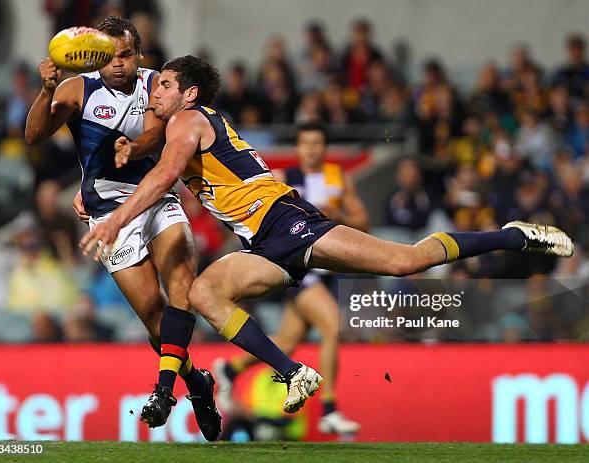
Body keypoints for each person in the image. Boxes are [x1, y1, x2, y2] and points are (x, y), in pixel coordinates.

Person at [79, 55, 574, 428]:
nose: (154, 91)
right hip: (260, 239)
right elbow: (152, 154)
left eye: (163, 84)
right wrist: (95, 188)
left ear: (187, 94)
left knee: (407, 261)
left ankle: (512, 235)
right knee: (204, 293)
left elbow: (166, 173)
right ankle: (294, 372)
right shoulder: (179, 125)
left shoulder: (188, 121)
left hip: (284, 220)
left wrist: (113, 219)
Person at [25, 18, 220, 440]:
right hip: (108, 215)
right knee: (155, 320)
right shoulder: (79, 89)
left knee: (182, 280)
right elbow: (33, 136)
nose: (119, 63)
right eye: (110, 56)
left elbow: (155, 134)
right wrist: (45, 90)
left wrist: (134, 148)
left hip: (157, 200)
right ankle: (197, 384)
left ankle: (164, 390)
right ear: (98, 56)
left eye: (126, 55)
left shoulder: (156, 84)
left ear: (140, 55)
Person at [213, 123, 366, 434]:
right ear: (298, 148)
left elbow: (363, 219)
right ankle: (330, 410)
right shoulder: (283, 179)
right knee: (333, 325)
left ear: (324, 147)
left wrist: (337, 217)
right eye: (306, 143)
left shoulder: (339, 179)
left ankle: (230, 368)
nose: (312, 148)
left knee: (287, 343)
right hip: (299, 269)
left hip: (326, 272)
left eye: (318, 142)